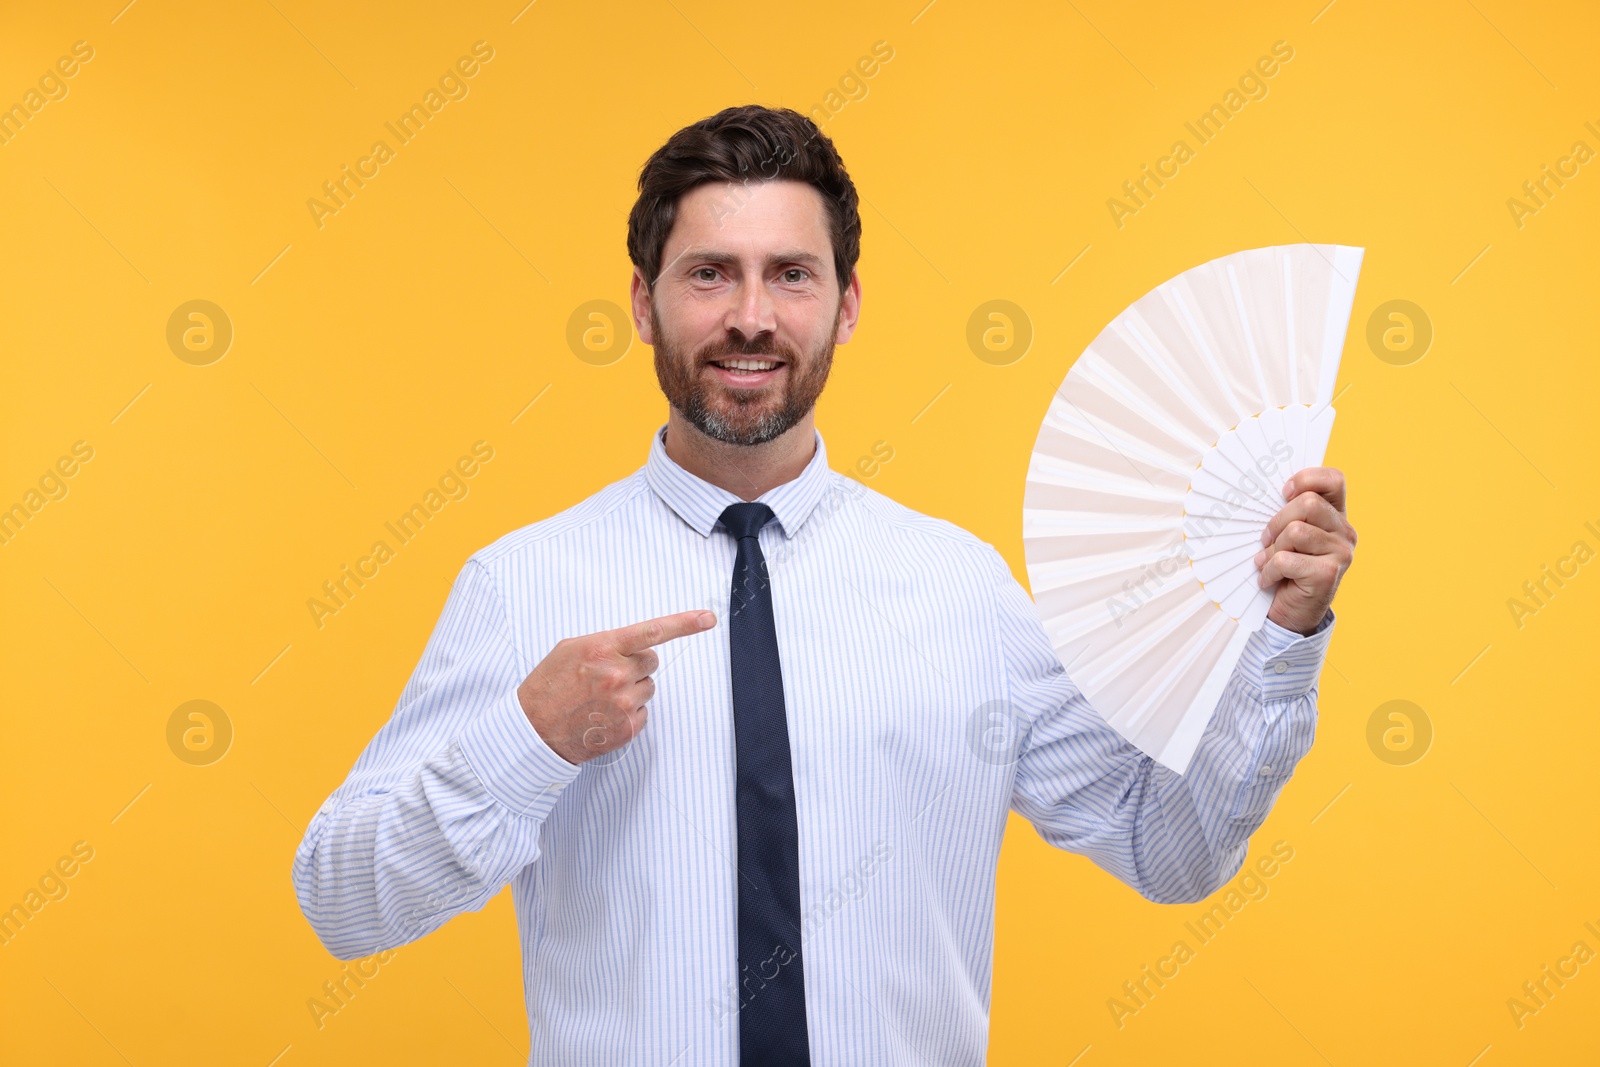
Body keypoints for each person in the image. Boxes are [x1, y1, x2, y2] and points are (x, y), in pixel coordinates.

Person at [292, 104, 1355, 1065]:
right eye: (708, 273)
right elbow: (342, 899)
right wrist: (526, 740)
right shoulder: (523, 584)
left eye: (790, 274)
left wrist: (1278, 638)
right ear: (641, 302)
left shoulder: (958, 587)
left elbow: (1165, 845)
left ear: (844, 306)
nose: (750, 315)